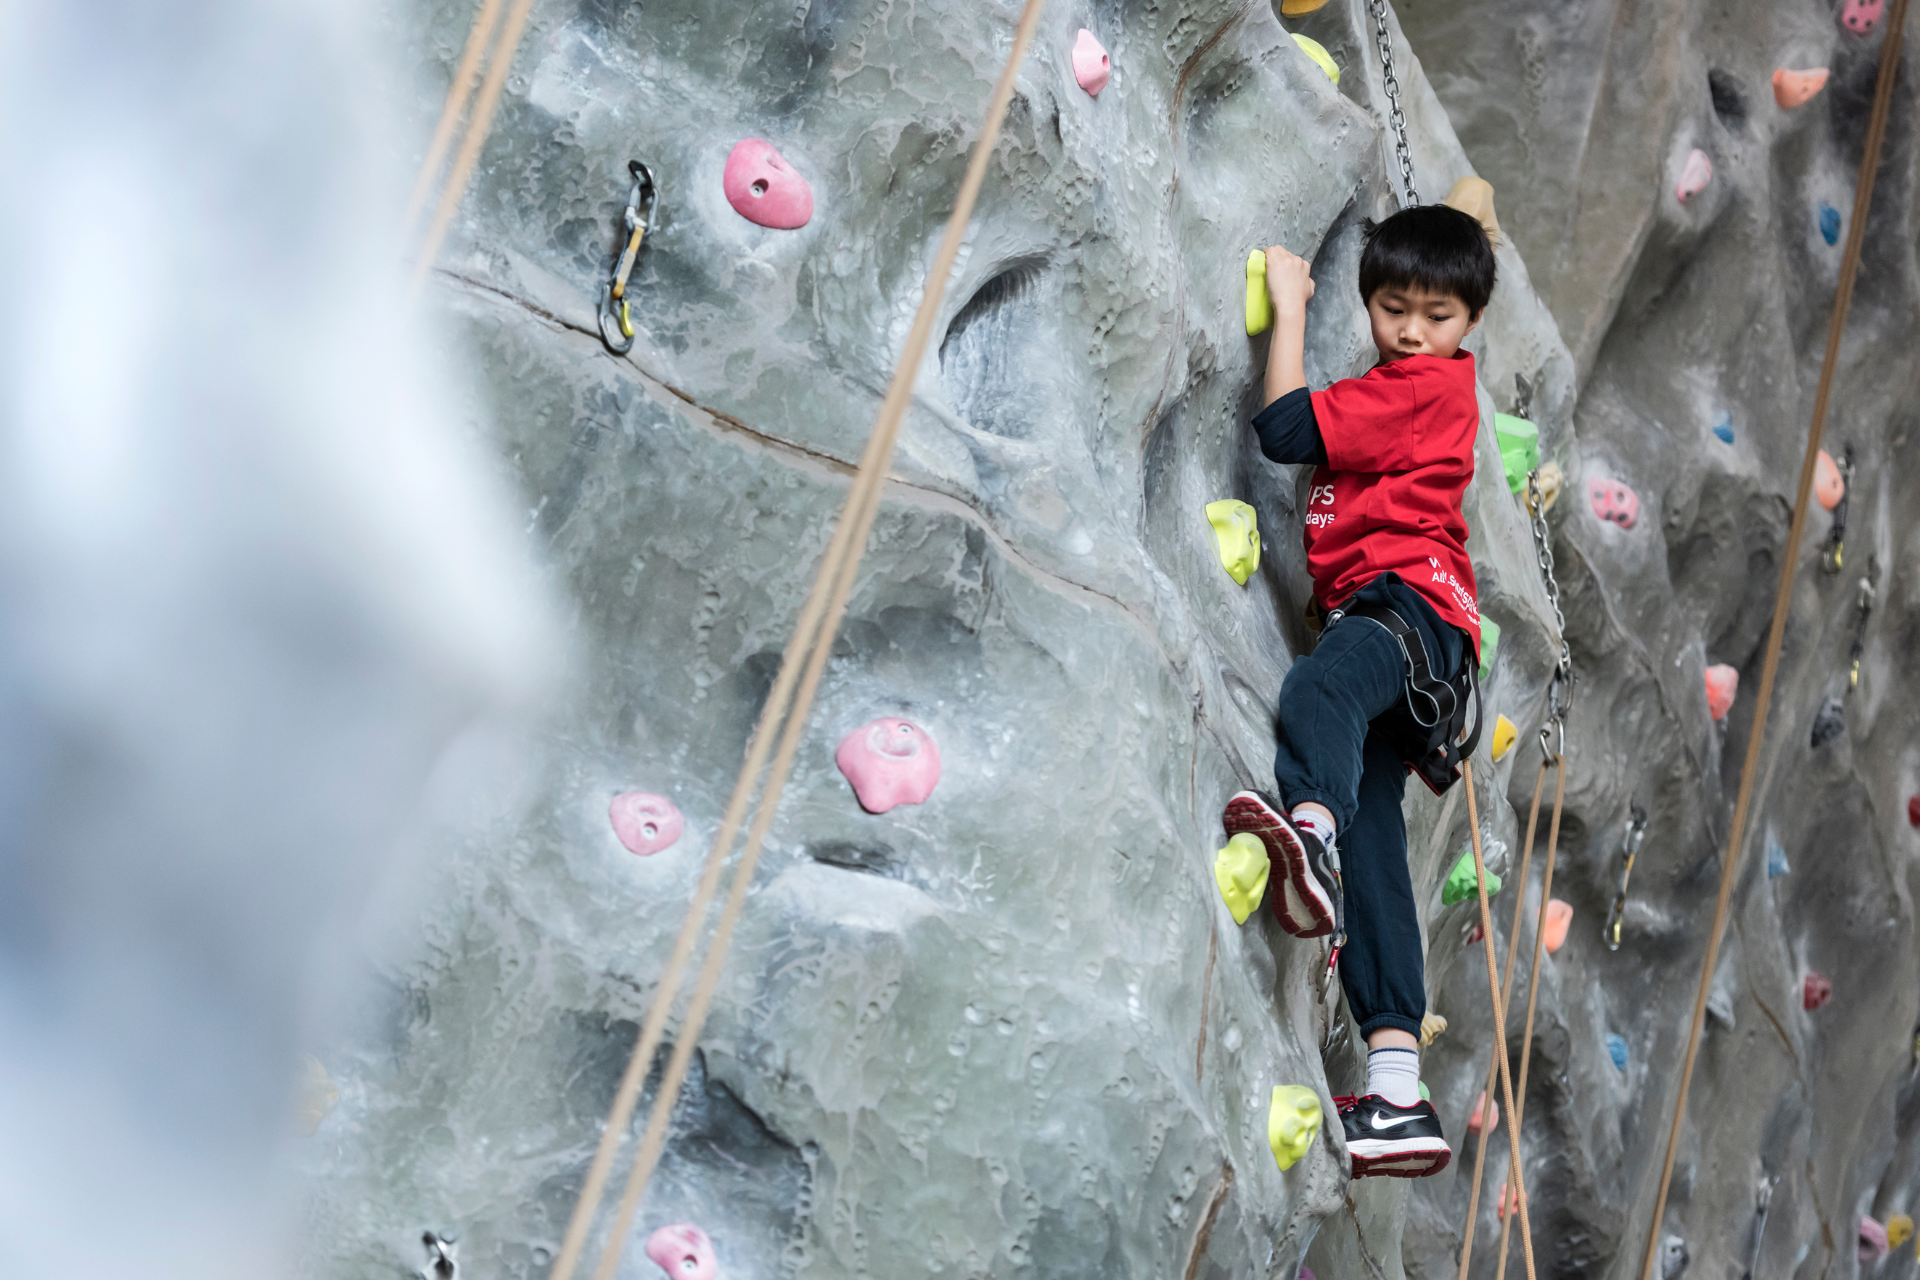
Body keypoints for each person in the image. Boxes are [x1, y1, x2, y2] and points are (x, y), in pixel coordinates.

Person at [1222, 204, 1494, 1179]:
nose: (1414, 331)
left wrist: (1289, 304)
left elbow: (1288, 427)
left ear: (1469, 323)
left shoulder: (1421, 388)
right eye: (1392, 308)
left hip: (1407, 611)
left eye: (1438, 314)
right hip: (1429, 639)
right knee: (1382, 845)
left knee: (1321, 690)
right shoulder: (1420, 382)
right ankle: (1396, 1094)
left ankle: (1309, 841)